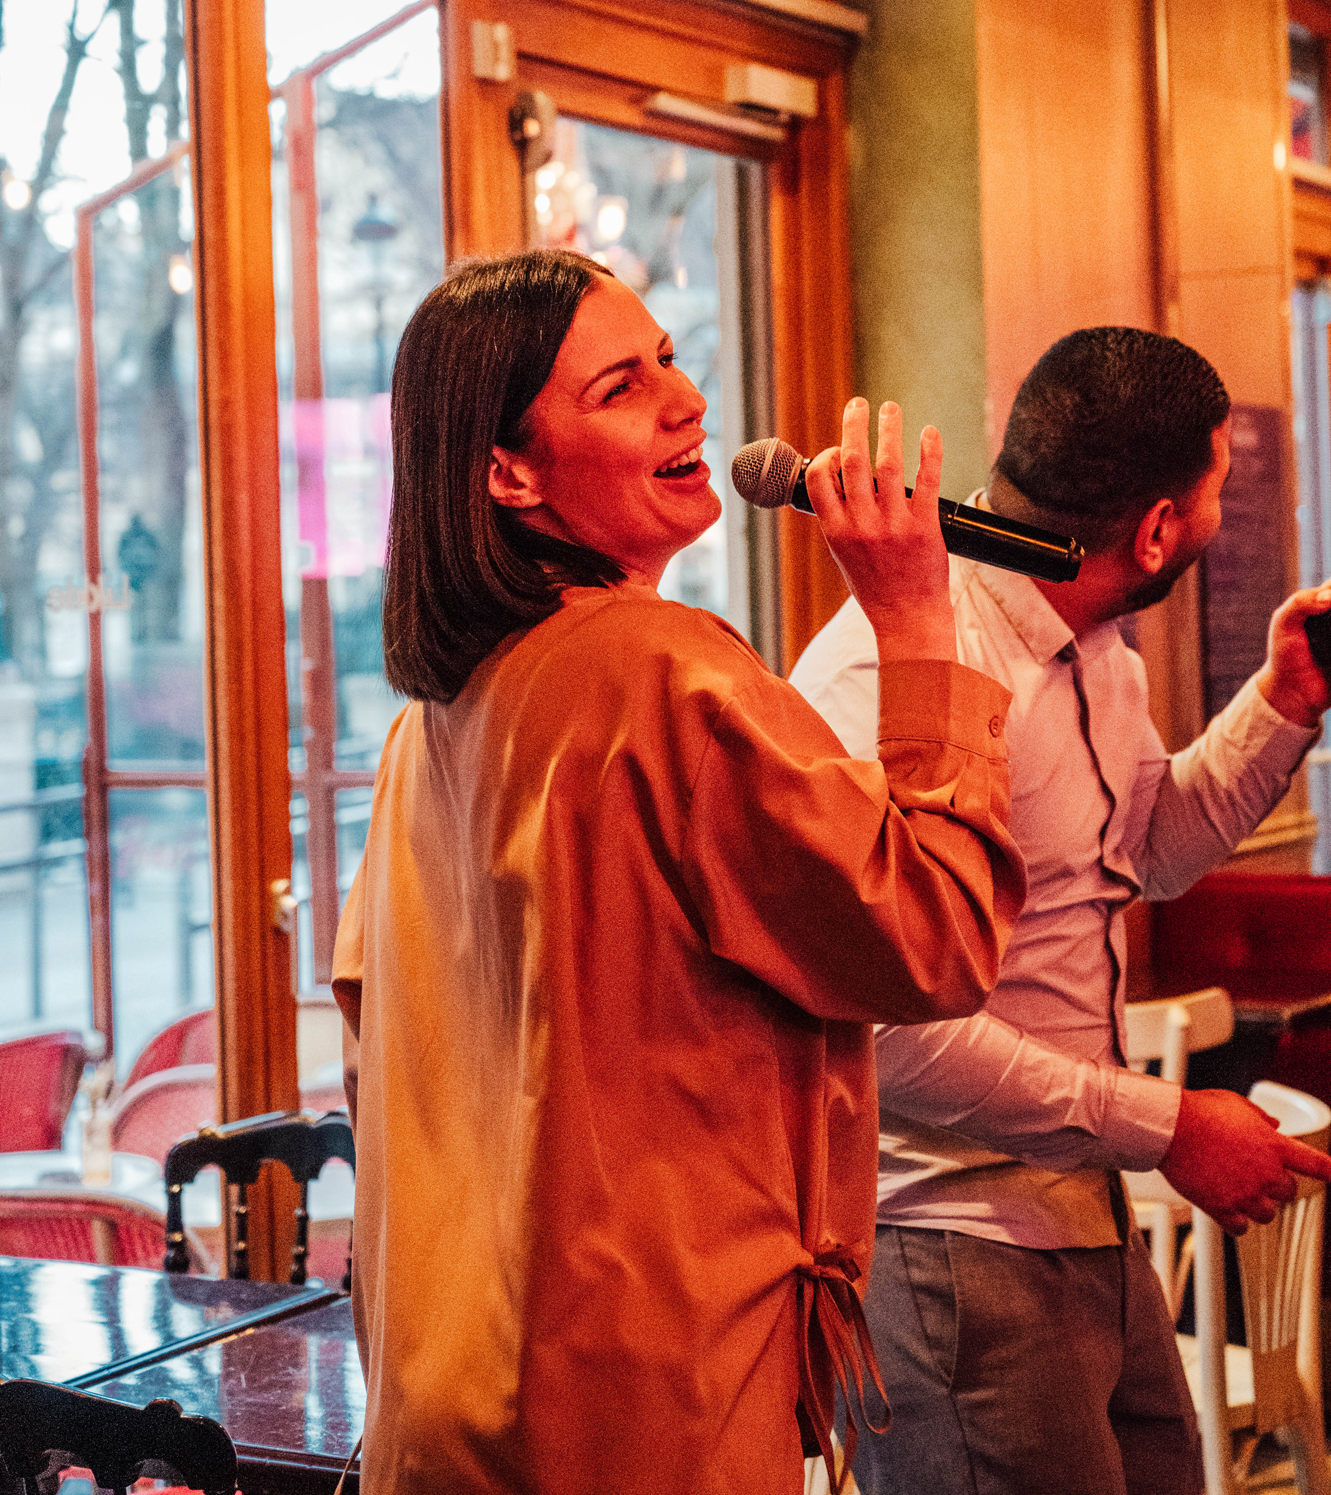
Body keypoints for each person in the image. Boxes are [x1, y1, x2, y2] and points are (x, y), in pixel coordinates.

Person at [330, 248, 1025, 1495]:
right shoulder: (658, 673)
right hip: (642, 1397)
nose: (686, 398)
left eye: (667, 358)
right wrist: (918, 616)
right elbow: (936, 933)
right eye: (619, 386)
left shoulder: (422, 730)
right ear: (506, 469)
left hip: (448, 1395)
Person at [789, 325, 1331, 1495]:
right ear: (1150, 529)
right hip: (946, 1247)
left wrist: (1281, 703)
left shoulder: (1100, 652)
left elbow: (1143, 852)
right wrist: (1167, 1125)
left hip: (1079, 1214)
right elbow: (891, 1028)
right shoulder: (880, 672)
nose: (1218, 516)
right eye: (1216, 487)